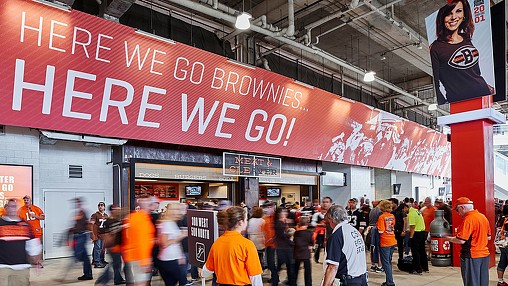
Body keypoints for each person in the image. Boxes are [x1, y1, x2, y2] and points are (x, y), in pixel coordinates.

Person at [430, 0, 493, 105]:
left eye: (458, 11)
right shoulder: (436, 48)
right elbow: (435, 84)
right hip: (460, 103)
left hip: (484, 96)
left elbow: (473, 71)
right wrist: (444, 105)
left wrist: (486, 86)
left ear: (464, 14)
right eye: (448, 14)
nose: (454, 17)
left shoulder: (466, 37)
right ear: (442, 18)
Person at [201, 206, 263, 286]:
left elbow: (208, 268)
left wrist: (202, 273)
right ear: (241, 222)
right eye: (246, 220)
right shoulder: (247, 245)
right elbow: (255, 275)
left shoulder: (217, 243)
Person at [445, 197, 491, 286]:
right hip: (484, 255)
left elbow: (461, 240)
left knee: (472, 282)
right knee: (483, 282)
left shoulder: (468, 219)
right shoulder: (482, 217)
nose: (458, 213)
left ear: (462, 207)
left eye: (457, 210)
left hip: (472, 256)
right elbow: (488, 237)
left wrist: (449, 238)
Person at [321, 205, 367, 286]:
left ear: (331, 219)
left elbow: (332, 267)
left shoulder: (337, 236)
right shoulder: (353, 230)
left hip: (349, 281)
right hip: (361, 278)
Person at [0, 199, 42, 286]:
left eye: (14, 206)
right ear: (6, 208)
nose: (12, 209)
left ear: (18, 208)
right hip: (2, 267)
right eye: (10, 206)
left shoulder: (26, 225)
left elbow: (33, 245)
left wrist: (36, 260)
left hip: (22, 267)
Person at [122, 197, 157, 286]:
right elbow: (142, 242)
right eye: (151, 204)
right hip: (140, 258)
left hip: (131, 256)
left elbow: (126, 237)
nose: (154, 206)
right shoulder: (142, 220)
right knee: (141, 283)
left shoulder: (131, 217)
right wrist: (144, 261)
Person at [95, 204, 126, 286]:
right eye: (117, 210)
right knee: (114, 265)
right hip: (113, 247)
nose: (119, 211)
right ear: (112, 211)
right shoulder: (108, 222)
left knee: (116, 264)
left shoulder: (118, 221)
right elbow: (107, 235)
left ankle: (118, 279)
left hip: (118, 247)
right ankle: (102, 281)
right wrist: (109, 246)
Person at [157, 203, 188, 286]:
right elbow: (164, 243)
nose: (180, 212)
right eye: (177, 210)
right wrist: (181, 235)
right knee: (183, 282)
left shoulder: (171, 223)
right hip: (169, 259)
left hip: (172, 259)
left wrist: (180, 255)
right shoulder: (167, 224)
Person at [17, 195, 45, 268]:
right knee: (26, 248)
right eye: (25, 200)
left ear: (30, 200)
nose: (26, 201)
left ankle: (38, 263)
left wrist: (35, 216)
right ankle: (28, 262)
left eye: (27, 200)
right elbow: (18, 220)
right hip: (26, 232)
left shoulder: (36, 208)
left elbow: (43, 217)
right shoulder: (21, 209)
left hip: (36, 231)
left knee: (38, 248)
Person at [71, 197, 94, 281]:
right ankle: (88, 274)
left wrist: (91, 234)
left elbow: (87, 224)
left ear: (80, 203)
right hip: (78, 235)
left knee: (78, 254)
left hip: (82, 236)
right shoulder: (79, 213)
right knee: (85, 257)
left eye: (77, 203)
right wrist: (73, 228)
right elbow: (79, 224)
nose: (76, 204)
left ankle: (87, 273)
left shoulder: (82, 212)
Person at [274, 207, 296, 286]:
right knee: (283, 267)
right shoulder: (279, 224)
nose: (285, 213)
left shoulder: (284, 222)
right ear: (279, 214)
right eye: (283, 212)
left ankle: (289, 281)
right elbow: (282, 236)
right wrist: (291, 242)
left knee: (288, 267)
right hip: (283, 248)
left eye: (285, 212)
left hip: (285, 247)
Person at [376, 200, 397, 286]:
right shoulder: (392, 216)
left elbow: (381, 231)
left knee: (385, 263)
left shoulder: (381, 217)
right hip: (392, 240)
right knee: (389, 262)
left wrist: (376, 226)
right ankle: (389, 280)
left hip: (385, 241)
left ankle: (390, 282)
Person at [408, 199, 428, 275]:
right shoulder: (417, 211)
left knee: (415, 252)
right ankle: (425, 267)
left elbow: (412, 227)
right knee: (422, 251)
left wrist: (410, 237)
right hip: (422, 232)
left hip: (416, 234)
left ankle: (417, 268)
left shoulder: (411, 214)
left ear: (406, 208)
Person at [293, 215, 313, 286]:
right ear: (307, 223)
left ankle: (293, 283)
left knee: (295, 270)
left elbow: (294, 241)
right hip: (306, 254)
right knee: (307, 271)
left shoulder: (296, 233)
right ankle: (308, 284)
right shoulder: (309, 233)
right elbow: (311, 242)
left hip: (297, 253)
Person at [311, 197, 332, 264]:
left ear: (330, 203)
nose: (325, 204)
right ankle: (316, 257)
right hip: (320, 233)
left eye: (327, 202)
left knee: (329, 246)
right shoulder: (317, 214)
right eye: (323, 202)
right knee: (319, 245)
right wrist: (319, 225)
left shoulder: (332, 214)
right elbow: (313, 223)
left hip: (330, 233)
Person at [261, 200, 278, 286]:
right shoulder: (265, 218)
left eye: (269, 206)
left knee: (272, 262)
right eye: (266, 207)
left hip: (275, 244)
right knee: (270, 262)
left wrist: (273, 239)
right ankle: (274, 277)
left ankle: (275, 279)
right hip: (268, 244)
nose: (267, 209)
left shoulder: (276, 218)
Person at [91, 201, 109, 268]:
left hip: (103, 234)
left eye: (102, 205)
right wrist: (93, 234)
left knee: (102, 248)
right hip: (97, 234)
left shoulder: (106, 215)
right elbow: (91, 224)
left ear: (104, 207)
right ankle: (96, 262)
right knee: (97, 248)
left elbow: (107, 225)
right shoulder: (95, 215)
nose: (100, 206)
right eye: (99, 205)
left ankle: (101, 260)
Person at [496, 207, 508, 286]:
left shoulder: (501, 219)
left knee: (502, 262)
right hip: (507, 243)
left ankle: (500, 281)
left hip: (502, 243)